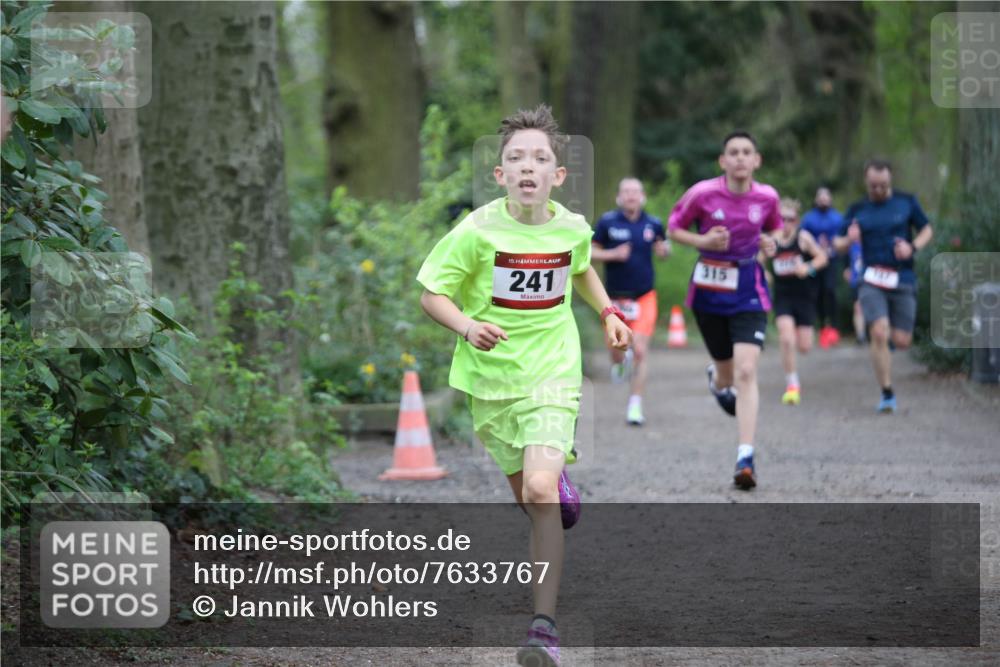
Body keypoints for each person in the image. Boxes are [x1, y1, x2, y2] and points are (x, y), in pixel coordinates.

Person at [417, 105, 631, 667]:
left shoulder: (570, 227)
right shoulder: (477, 229)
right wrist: (467, 325)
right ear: (500, 175)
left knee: (538, 489)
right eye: (516, 158)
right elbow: (432, 293)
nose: (528, 167)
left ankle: (544, 630)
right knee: (530, 497)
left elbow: (580, 265)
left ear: (558, 176)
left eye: (540, 158)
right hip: (491, 384)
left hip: (554, 371)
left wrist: (608, 312)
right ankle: (554, 491)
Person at [667, 131, 781, 490]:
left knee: (747, 372)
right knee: (727, 376)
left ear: (757, 160)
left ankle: (745, 457)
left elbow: (776, 232)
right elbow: (674, 228)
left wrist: (771, 245)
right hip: (709, 293)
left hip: (749, 290)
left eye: (747, 152)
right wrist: (702, 241)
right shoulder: (702, 193)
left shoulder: (767, 197)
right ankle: (716, 380)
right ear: (723, 160)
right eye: (733, 152)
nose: (740, 158)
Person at [834, 159, 933, 413]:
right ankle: (887, 392)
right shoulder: (858, 208)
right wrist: (849, 239)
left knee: (901, 340)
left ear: (890, 181)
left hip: (902, 277)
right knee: (878, 331)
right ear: (866, 182)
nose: (878, 190)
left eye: (883, 185)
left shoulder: (906, 201)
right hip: (871, 278)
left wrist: (912, 247)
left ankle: (888, 343)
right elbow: (837, 244)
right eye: (873, 186)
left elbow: (926, 230)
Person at [591, 177, 670, 425]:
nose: (631, 196)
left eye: (635, 192)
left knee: (641, 350)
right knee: (616, 351)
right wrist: (612, 254)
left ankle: (635, 405)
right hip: (613, 299)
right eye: (626, 192)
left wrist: (664, 251)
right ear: (619, 197)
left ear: (643, 196)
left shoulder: (654, 223)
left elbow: (665, 248)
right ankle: (619, 362)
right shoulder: (607, 222)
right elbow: (589, 252)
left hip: (644, 296)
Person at [766, 198, 828, 405]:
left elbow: (822, 257)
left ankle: (794, 372)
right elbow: (756, 261)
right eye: (781, 219)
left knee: (804, 346)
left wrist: (808, 268)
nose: (785, 223)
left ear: (796, 220)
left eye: (790, 219)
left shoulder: (803, 239)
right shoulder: (771, 240)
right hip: (783, 295)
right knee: (786, 338)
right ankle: (792, 384)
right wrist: (764, 274)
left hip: (804, 296)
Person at [801, 187, 845, 348]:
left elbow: (844, 240)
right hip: (814, 262)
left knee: (830, 291)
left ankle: (834, 327)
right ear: (816, 200)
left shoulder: (838, 218)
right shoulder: (808, 218)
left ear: (831, 199)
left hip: (832, 262)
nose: (824, 200)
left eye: (826, 197)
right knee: (816, 294)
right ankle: (822, 328)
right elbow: (802, 241)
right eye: (821, 197)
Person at [844, 239, 866, 344]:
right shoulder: (851, 245)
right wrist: (846, 270)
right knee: (858, 307)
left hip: (871, 280)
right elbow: (846, 260)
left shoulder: (873, 242)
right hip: (857, 281)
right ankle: (860, 335)